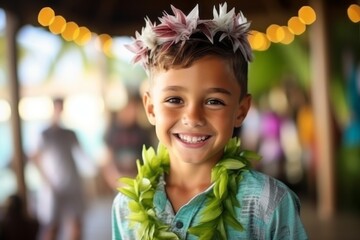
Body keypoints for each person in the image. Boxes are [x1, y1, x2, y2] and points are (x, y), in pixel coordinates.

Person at [112, 3, 308, 239]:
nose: (193, 118)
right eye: (174, 99)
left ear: (241, 110)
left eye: (214, 101)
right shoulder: (126, 207)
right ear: (151, 108)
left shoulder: (269, 204)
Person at [31, 97, 86, 240]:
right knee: (52, 227)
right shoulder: (45, 134)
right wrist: (46, 180)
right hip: (53, 187)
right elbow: (35, 158)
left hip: (72, 184)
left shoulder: (69, 133)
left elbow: (83, 155)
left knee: (76, 225)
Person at [100, 92, 154, 190]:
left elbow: (149, 159)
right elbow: (107, 161)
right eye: (129, 107)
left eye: (134, 108)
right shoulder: (112, 131)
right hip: (118, 182)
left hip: (139, 182)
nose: (132, 112)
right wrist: (116, 181)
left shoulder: (142, 132)